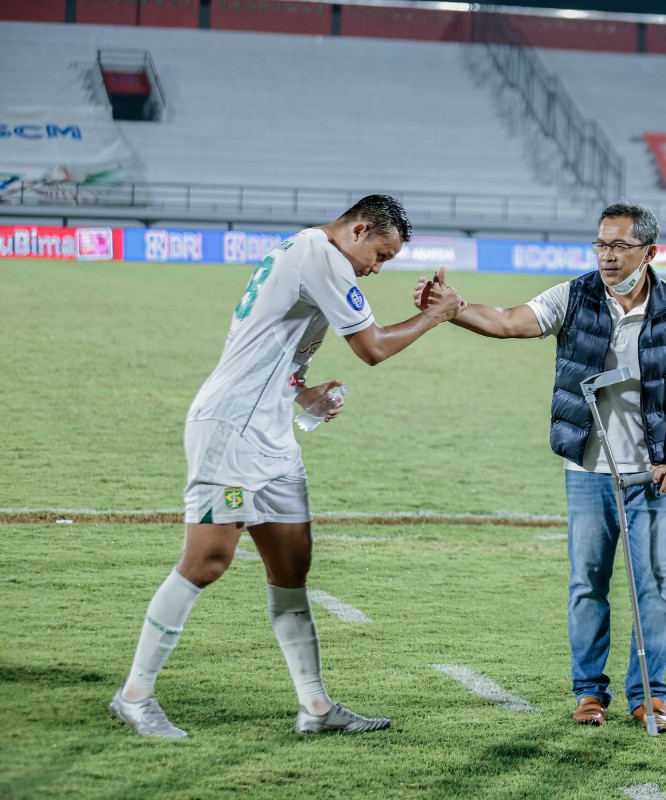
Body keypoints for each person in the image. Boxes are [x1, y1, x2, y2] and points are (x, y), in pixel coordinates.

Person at [110, 195, 463, 738]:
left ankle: (316, 708)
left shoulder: (303, 251)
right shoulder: (321, 255)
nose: (376, 268)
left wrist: (304, 394)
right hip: (228, 433)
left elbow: (268, 347)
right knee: (207, 559)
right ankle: (134, 695)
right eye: (380, 255)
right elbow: (371, 348)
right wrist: (437, 315)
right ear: (359, 229)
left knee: (291, 570)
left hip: (272, 439)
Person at [417, 202, 666, 731]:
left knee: (656, 587)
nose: (608, 256)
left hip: (652, 476)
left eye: (619, 246)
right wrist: (452, 309)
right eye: (601, 244)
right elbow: (508, 322)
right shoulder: (573, 295)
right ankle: (590, 694)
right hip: (589, 471)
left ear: (649, 252)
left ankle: (651, 697)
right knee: (587, 585)